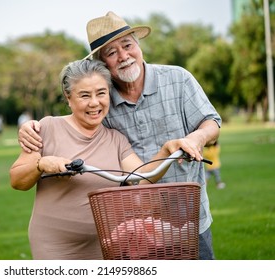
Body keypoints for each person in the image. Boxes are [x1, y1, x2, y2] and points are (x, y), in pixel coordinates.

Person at [18, 11, 222, 260]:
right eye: (112, 53)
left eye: (128, 45)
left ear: (138, 45)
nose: (124, 56)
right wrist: (32, 136)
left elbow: (211, 122)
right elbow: (74, 116)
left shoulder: (177, 79)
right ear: (103, 63)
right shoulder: (101, 98)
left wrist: (194, 139)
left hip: (187, 217)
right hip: (132, 229)